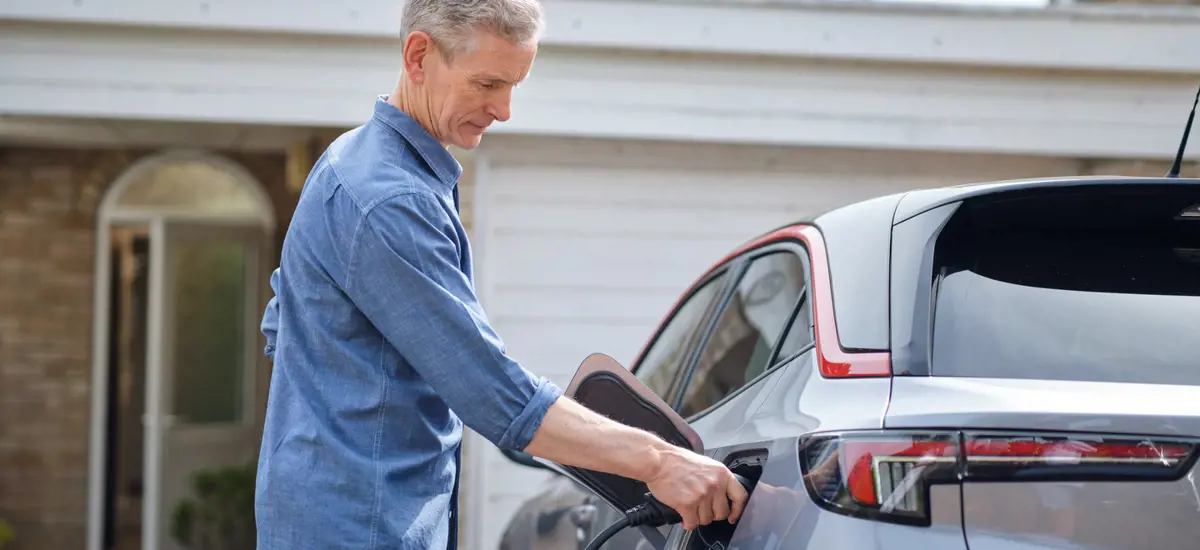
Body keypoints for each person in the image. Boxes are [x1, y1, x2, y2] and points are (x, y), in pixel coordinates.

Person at [253, 0, 748, 548]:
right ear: (419, 55)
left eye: (514, 84)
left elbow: (284, 322)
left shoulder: (356, 163)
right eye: (487, 83)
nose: (505, 109)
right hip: (361, 530)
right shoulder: (389, 201)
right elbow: (498, 397)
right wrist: (658, 462)